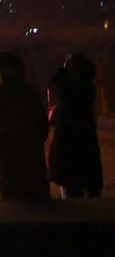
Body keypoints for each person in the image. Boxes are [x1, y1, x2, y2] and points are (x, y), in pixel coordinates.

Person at [0, 51, 49, 200]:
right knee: (40, 209)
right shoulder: (30, 92)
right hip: (33, 161)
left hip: (6, 162)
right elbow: (43, 125)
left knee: (9, 209)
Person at [48, 53, 103, 199]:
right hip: (87, 149)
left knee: (70, 198)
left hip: (67, 149)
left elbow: (54, 82)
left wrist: (63, 68)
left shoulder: (66, 90)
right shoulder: (89, 90)